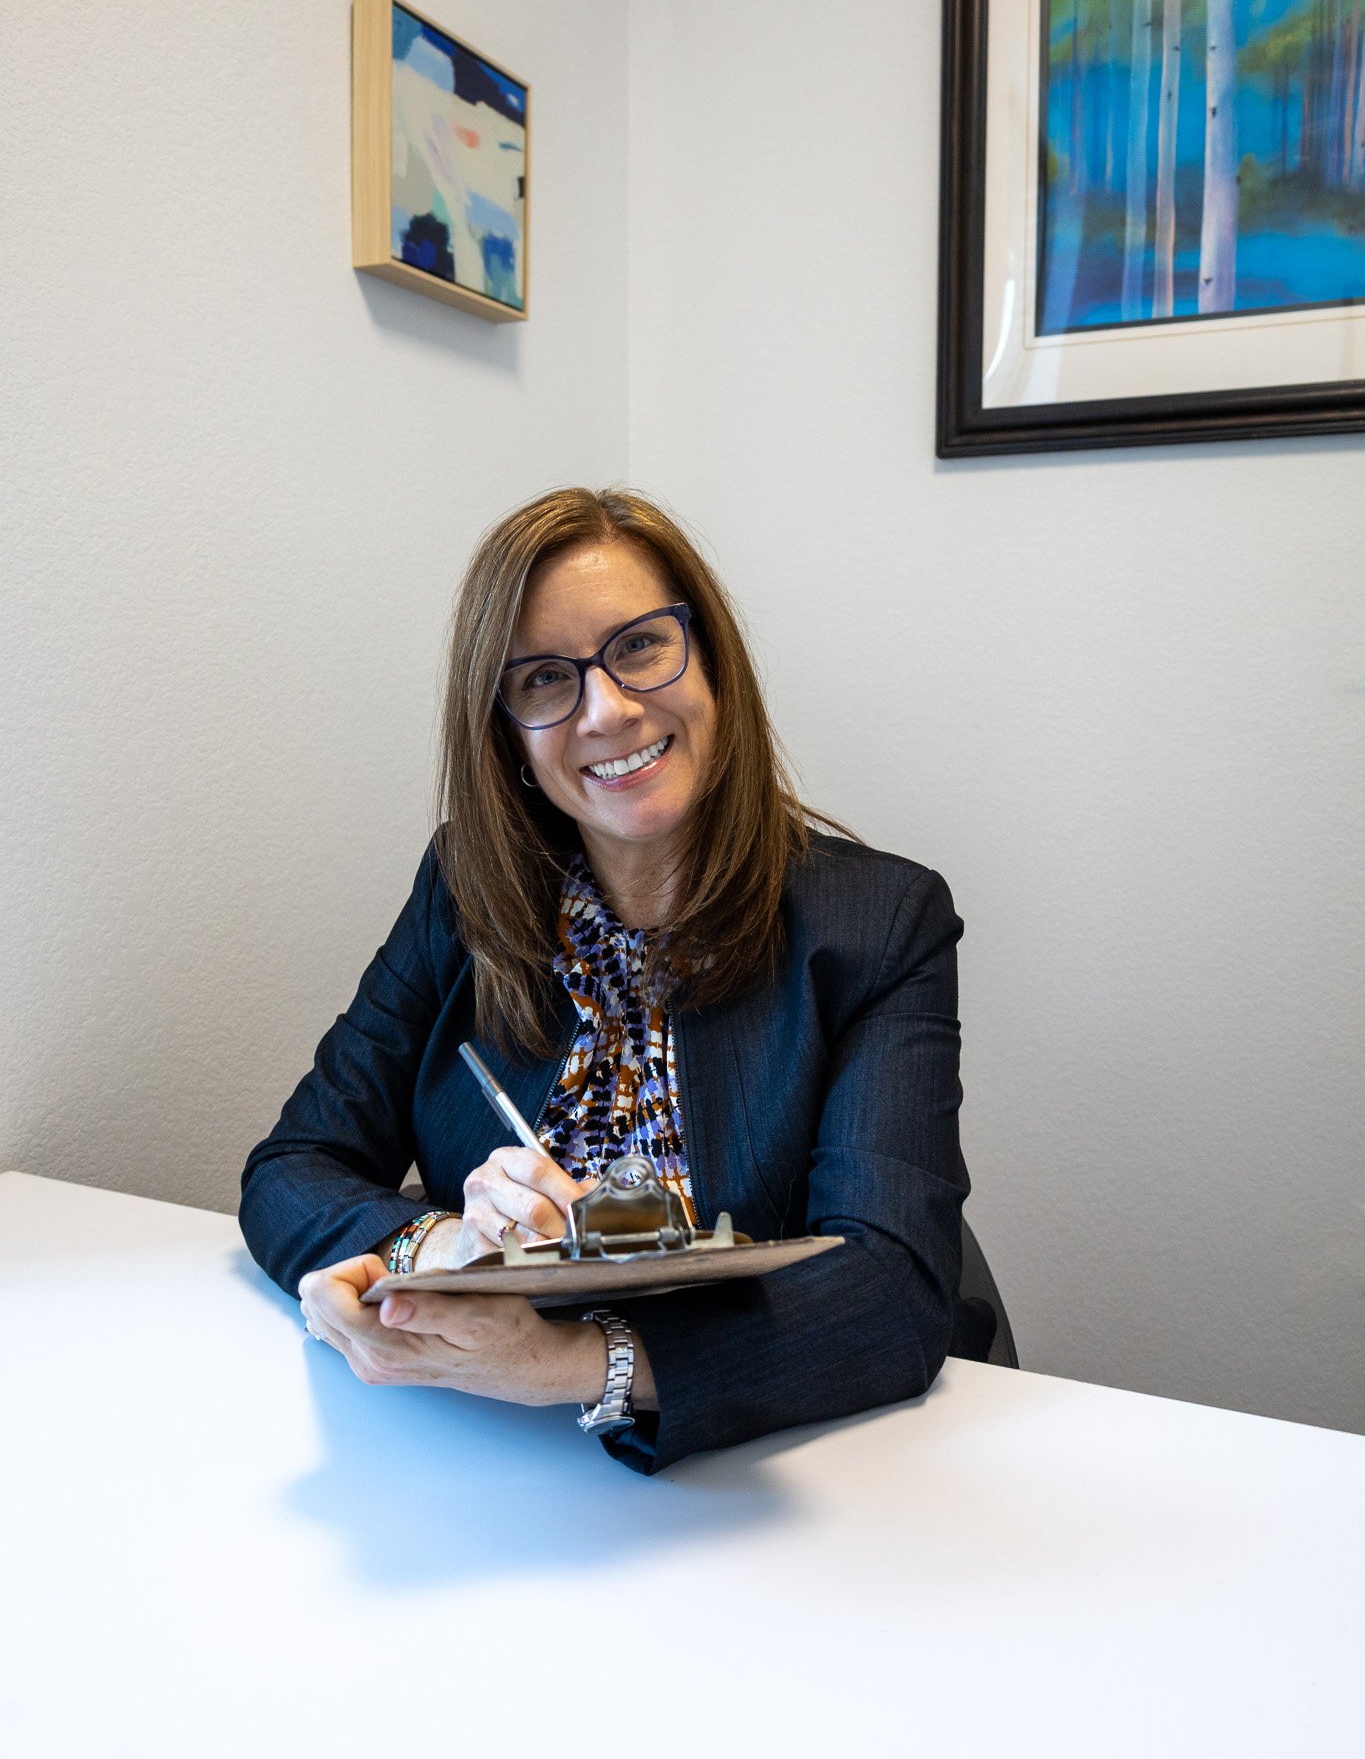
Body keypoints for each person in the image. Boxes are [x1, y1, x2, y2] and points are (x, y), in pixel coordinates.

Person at [240, 488, 980, 1473]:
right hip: (483, 1464)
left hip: (783, 1475)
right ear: (505, 730)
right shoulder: (464, 887)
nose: (608, 709)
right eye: (547, 677)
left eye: (638, 646)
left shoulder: (881, 922)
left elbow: (894, 1289)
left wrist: (578, 1361)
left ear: (710, 659)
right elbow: (293, 1165)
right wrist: (437, 1250)